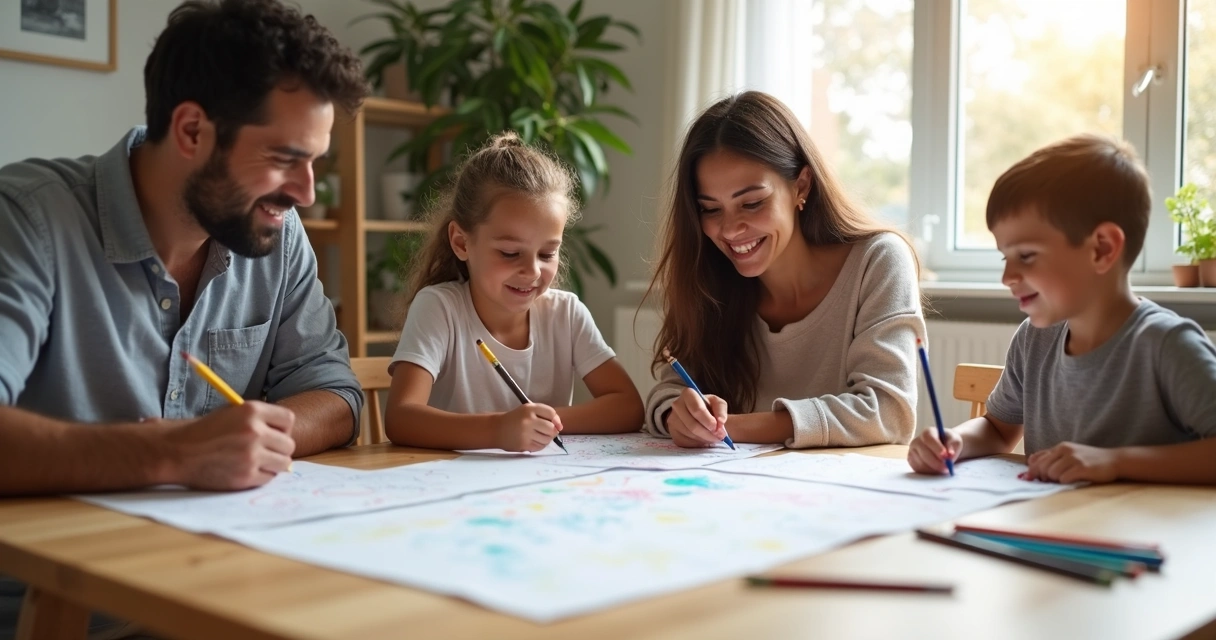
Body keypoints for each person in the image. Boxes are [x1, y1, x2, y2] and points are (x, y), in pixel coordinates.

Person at [908, 134, 1216, 484]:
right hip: (1053, 527)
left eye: (1025, 256)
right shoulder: (1033, 340)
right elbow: (997, 429)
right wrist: (956, 440)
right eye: (1005, 257)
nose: (1007, 276)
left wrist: (1116, 462)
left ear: (1101, 249)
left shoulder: (1167, 345)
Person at [643, 91, 925, 449]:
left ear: (800, 186)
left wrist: (733, 428)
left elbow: (889, 413)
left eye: (752, 203)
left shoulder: (878, 260)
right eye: (710, 209)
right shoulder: (709, 275)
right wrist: (675, 415)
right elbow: (668, 391)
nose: (729, 230)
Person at [384, 133, 643, 452]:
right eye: (509, 253)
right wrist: (498, 428)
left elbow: (628, 407)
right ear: (462, 243)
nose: (533, 271)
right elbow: (401, 418)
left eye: (547, 254)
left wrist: (542, 423)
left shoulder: (566, 314)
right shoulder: (439, 308)